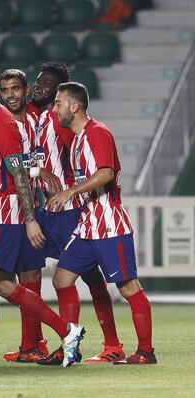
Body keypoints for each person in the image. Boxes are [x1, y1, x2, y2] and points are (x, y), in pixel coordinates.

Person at [0, 62, 85, 370]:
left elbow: (18, 170)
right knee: (2, 284)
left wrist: (31, 218)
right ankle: (66, 331)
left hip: (7, 212)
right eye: (6, 89)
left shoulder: (8, 123)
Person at [4, 62, 125, 365]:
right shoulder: (36, 118)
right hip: (46, 211)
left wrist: (72, 189)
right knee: (28, 269)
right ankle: (32, 345)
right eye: (39, 82)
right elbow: (22, 160)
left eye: (49, 84)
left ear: (63, 93)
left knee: (88, 277)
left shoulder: (65, 124)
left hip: (70, 211)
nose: (40, 87)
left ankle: (109, 343)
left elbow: (85, 162)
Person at [48, 82, 156, 365]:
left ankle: (146, 351)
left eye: (59, 103)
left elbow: (106, 172)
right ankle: (70, 345)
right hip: (87, 227)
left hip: (109, 226)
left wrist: (71, 191)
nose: (55, 109)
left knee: (128, 286)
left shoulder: (97, 132)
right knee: (61, 279)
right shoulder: (78, 140)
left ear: (74, 106)